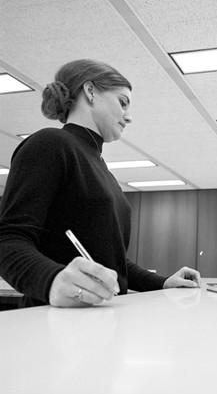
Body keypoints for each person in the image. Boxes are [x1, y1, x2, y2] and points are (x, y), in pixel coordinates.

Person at [0, 59, 201, 308]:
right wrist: (51, 280)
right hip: (54, 320)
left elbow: (111, 260)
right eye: (122, 102)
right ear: (90, 91)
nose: (129, 117)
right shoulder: (50, 143)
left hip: (105, 320)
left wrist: (162, 283)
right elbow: (8, 239)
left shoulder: (102, 169)